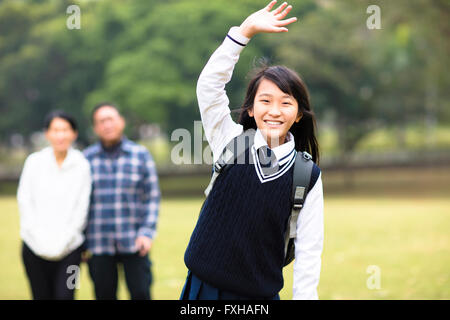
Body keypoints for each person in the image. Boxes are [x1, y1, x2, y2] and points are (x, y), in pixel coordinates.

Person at [181, 1, 324, 300]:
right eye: (265, 101)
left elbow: (309, 250)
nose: (274, 111)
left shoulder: (306, 175)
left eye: (286, 103)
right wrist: (244, 32)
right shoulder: (230, 141)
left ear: (298, 114)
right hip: (201, 291)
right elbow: (209, 87)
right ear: (250, 108)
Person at [83, 102, 160, 300]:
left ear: (121, 122)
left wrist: (146, 232)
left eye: (111, 119)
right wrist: (81, 241)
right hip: (98, 242)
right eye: (101, 121)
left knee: (141, 293)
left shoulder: (140, 155)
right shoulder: (86, 159)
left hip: (134, 240)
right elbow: (79, 203)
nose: (107, 125)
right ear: (95, 128)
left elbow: (151, 197)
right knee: (103, 295)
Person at [17, 110, 91, 300]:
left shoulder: (82, 164)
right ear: (47, 133)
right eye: (55, 130)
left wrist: (65, 243)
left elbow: (81, 208)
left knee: (67, 296)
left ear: (74, 133)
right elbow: (25, 202)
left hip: (71, 250)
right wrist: (39, 241)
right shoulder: (34, 162)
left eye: (65, 130)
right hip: (34, 249)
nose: (60, 135)